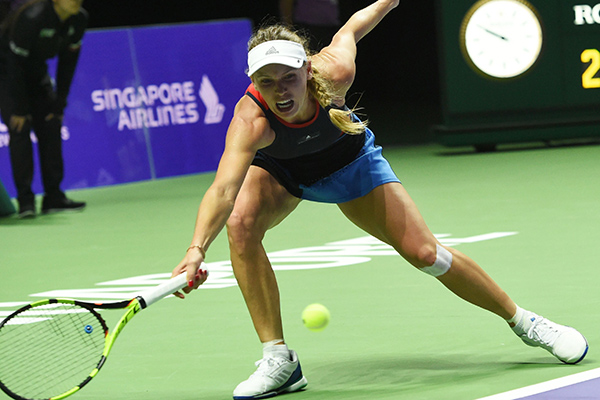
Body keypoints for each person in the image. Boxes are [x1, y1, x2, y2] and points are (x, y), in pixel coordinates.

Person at [171, 1, 589, 398]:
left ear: (306, 68)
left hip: (350, 166)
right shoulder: (251, 121)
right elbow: (223, 190)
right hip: (284, 173)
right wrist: (196, 250)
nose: (279, 91)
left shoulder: (334, 72)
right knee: (240, 225)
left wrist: (388, 3)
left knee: (426, 254)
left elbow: (352, 27)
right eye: (267, 81)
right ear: (254, 81)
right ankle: (278, 359)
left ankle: (524, 322)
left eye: (288, 78)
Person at [0, 0, 87, 218]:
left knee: (51, 123)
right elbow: (14, 63)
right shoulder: (32, 17)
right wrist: (20, 109)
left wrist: (59, 104)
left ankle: (53, 197)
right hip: (7, 72)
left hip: (37, 72)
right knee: (19, 129)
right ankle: (25, 201)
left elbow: (68, 62)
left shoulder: (79, 19)